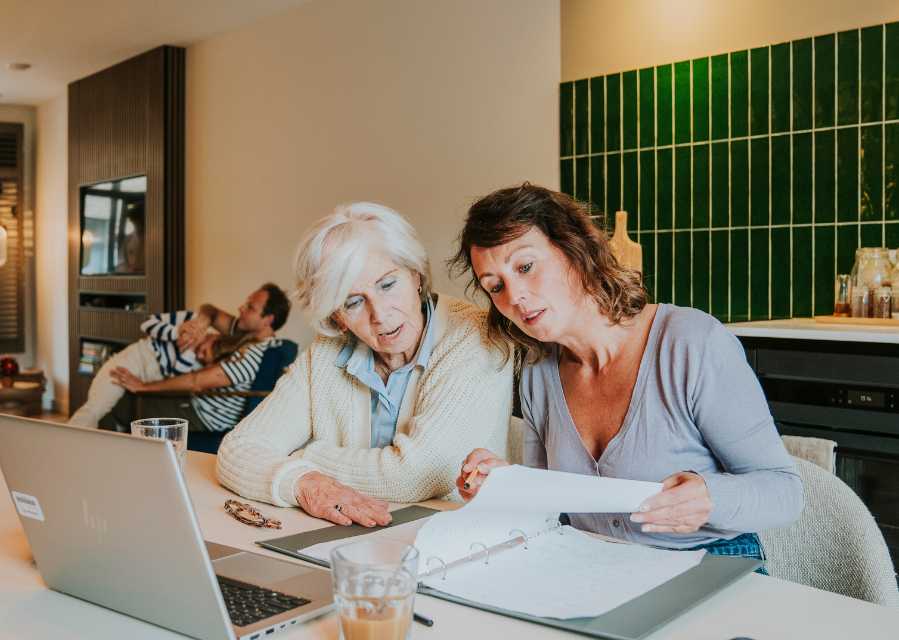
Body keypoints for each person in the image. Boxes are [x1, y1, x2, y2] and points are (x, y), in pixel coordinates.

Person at [450, 183, 803, 566]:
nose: (514, 296)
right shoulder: (538, 371)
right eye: (495, 286)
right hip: (595, 567)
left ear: (575, 250)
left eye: (525, 267)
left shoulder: (691, 343)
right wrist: (508, 486)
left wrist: (710, 497)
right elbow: (549, 508)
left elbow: (784, 492)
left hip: (709, 561)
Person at [216, 202, 513, 528]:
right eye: (353, 302)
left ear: (415, 274)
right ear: (336, 316)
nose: (380, 314)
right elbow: (237, 451)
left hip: (452, 547)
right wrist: (303, 484)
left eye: (387, 284)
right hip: (342, 545)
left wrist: (302, 457)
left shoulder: (475, 336)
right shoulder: (327, 352)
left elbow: (417, 475)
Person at [68, 283, 292, 434]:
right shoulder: (244, 333)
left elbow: (197, 380)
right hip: (195, 401)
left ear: (268, 320)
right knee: (116, 403)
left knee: (123, 406)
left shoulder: (255, 353)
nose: (241, 308)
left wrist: (144, 386)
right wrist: (203, 321)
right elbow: (210, 310)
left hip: (202, 413)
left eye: (250, 307)